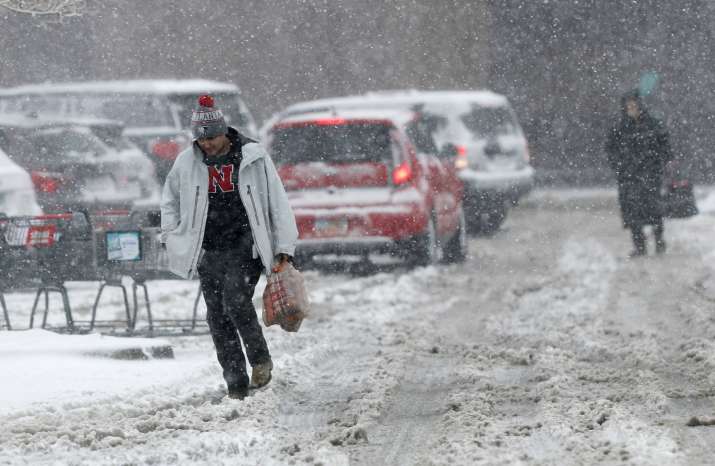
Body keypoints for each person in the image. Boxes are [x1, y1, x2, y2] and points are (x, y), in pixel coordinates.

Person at [161, 95, 298, 399]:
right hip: (208, 248)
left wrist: (284, 245)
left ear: (224, 131)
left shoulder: (252, 156)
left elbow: (277, 201)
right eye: (200, 139)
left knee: (235, 300)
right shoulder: (187, 162)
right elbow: (169, 198)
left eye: (211, 138)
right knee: (217, 316)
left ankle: (260, 360)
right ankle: (235, 380)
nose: (206, 145)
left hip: (245, 244)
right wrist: (170, 232)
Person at [606, 89, 672, 257]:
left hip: (650, 175)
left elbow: (665, 145)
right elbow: (610, 149)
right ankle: (639, 245)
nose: (632, 109)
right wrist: (619, 165)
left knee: (654, 209)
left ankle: (659, 241)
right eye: (629, 107)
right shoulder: (619, 128)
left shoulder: (653, 124)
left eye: (634, 106)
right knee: (632, 211)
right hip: (628, 177)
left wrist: (660, 161)